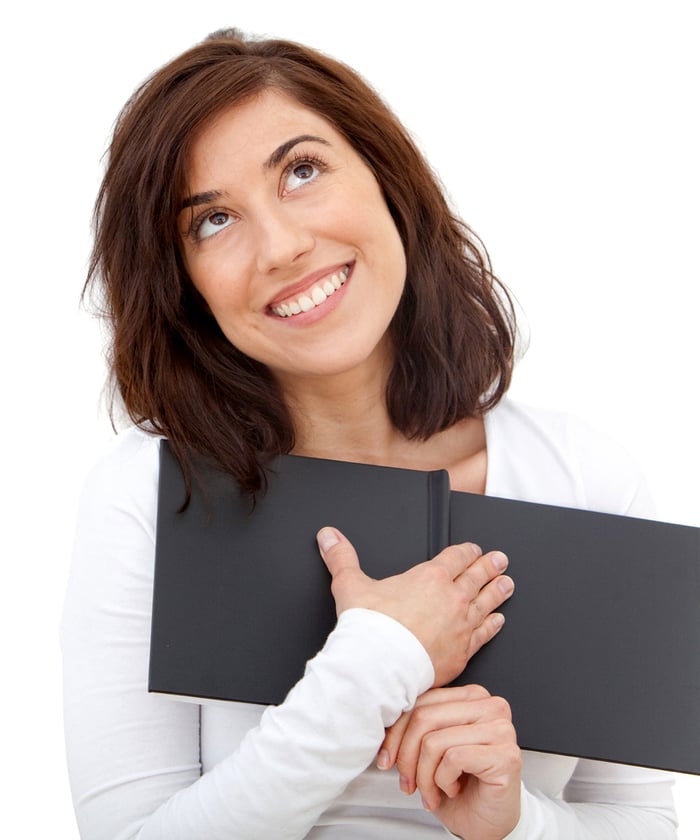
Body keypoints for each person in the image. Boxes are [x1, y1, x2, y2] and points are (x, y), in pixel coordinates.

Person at [61, 28, 678, 840]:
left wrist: (516, 824)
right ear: (181, 285)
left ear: (387, 179)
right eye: (213, 221)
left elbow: (645, 826)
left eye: (302, 171)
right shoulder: (152, 497)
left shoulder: (585, 478)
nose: (282, 247)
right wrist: (374, 666)